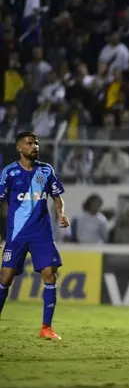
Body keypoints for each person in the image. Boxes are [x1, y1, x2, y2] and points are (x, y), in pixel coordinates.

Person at [0, 131, 69, 339]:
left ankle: (46, 327)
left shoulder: (46, 170)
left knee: (50, 273)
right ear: (19, 148)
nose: (35, 146)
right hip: (17, 235)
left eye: (36, 143)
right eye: (29, 143)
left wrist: (61, 214)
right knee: (6, 277)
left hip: (42, 234)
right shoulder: (9, 172)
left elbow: (57, 196)